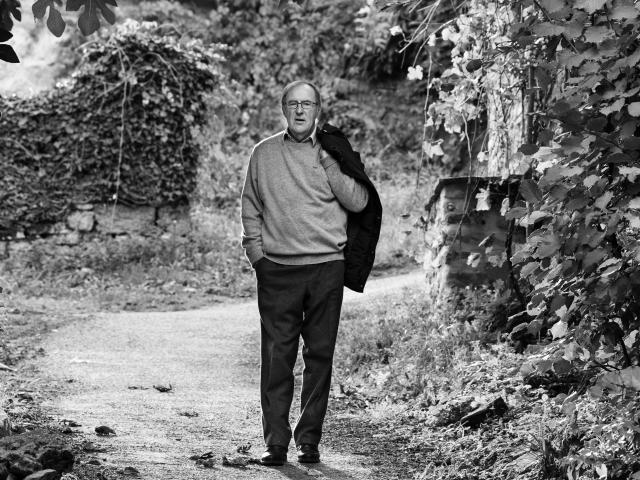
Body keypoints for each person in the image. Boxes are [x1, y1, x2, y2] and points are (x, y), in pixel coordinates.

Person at [240, 80, 382, 466]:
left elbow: (359, 200)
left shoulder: (333, 151)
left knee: (319, 357)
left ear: (318, 109)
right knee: (277, 357)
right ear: (284, 108)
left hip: (326, 269)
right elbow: (250, 205)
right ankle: (276, 442)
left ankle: (308, 441)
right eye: (293, 104)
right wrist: (257, 255)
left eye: (308, 104)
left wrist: (329, 163)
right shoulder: (263, 153)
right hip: (278, 271)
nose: (300, 110)